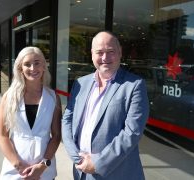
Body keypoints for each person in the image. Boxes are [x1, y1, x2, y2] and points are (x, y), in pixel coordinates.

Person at [61, 31, 149, 180]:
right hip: (81, 171)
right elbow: (67, 120)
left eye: (110, 52)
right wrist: (76, 156)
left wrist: (97, 163)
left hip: (116, 174)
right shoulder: (80, 83)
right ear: (91, 54)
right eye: (99, 52)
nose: (105, 58)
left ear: (120, 52)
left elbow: (131, 133)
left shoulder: (134, 85)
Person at [0, 46, 62, 180]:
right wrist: (19, 165)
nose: (33, 68)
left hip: (44, 171)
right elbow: (3, 135)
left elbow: (56, 136)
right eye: (27, 64)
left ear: (44, 66)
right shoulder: (9, 97)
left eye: (37, 63)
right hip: (15, 170)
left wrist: (42, 166)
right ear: (20, 68)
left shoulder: (53, 98)